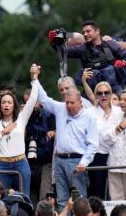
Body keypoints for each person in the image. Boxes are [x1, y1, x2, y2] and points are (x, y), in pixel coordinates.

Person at [30, 65, 99, 204]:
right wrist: (35, 78)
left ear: (80, 102)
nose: (68, 105)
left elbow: (93, 144)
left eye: (72, 103)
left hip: (77, 161)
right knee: (61, 200)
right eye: (67, 102)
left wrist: (84, 162)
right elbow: (44, 99)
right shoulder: (61, 108)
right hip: (60, 160)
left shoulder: (89, 116)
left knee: (79, 201)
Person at [0, 86, 38, 199]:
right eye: (3, 102)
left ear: (14, 105)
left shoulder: (21, 119)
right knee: (2, 198)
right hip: (2, 165)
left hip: (20, 163)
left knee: (24, 197)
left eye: (9, 102)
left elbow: (32, 99)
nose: (6, 105)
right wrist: (3, 132)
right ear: (0, 106)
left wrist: (35, 79)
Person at [81, 76, 122, 199]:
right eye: (99, 93)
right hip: (97, 155)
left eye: (106, 92)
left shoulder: (120, 112)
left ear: (111, 94)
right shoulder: (89, 113)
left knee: (117, 191)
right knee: (97, 190)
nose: (103, 95)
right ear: (96, 96)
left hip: (117, 154)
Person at [65, 20, 126, 91]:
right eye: (83, 33)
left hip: (116, 88)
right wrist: (59, 35)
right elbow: (63, 51)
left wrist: (124, 62)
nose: (85, 34)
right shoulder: (82, 49)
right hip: (95, 92)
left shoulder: (108, 44)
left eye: (88, 31)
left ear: (97, 31)